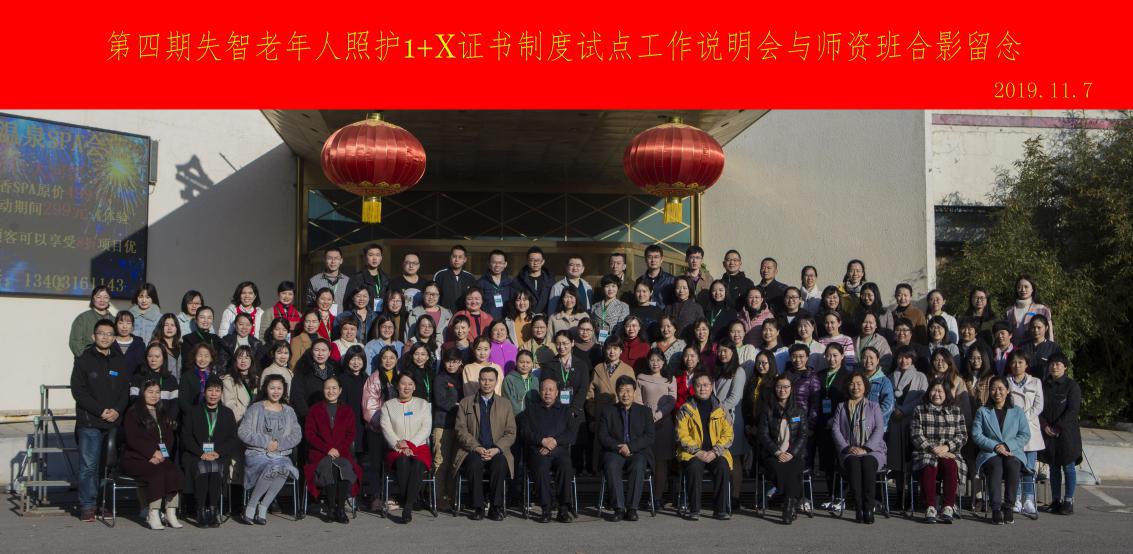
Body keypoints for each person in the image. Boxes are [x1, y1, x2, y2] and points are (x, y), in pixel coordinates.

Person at [70, 318, 130, 522]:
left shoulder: (119, 360)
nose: (105, 337)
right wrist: (100, 411)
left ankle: (104, 503)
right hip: (90, 422)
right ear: (93, 336)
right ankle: (88, 505)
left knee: (108, 466)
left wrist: (117, 411)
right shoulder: (83, 359)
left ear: (114, 338)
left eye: (109, 334)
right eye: (101, 333)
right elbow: (79, 391)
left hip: (113, 422)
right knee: (89, 466)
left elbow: (125, 390)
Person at [453, 366, 517, 520]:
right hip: (473, 450)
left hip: (497, 450)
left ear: (496, 382)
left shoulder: (505, 404)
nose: (487, 383)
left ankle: (495, 507)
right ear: (479, 381)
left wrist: (497, 449)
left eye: (490, 380)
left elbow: (511, 433)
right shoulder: (466, 403)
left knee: (500, 464)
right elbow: (460, 430)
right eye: (483, 380)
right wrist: (476, 447)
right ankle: (478, 507)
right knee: (474, 464)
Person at [239, 375, 302, 525]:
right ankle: (251, 505)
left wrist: (278, 444)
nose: (276, 391)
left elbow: (296, 435)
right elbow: (243, 432)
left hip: (280, 454)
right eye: (272, 388)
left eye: (279, 388)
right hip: (257, 454)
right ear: (266, 389)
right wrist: (266, 442)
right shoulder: (255, 408)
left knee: (283, 469)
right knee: (273, 468)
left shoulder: (289, 411)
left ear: (284, 390)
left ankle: (263, 506)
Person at [122, 379, 184, 530]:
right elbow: (133, 438)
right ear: (143, 393)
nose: (154, 395)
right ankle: (153, 512)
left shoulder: (162, 412)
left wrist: (162, 453)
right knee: (157, 474)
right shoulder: (133, 412)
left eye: (157, 392)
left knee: (174, 472)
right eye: (150, 392)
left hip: (159, 457)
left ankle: (170, 512)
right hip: (136, 458)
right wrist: (151, 453)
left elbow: (168, 437)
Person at [180, 375, 241, 527]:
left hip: (218, 454)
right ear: (204, 392)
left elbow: (232, 438)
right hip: (196, 454)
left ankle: (213, 510)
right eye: (210, 390)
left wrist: (218, 452)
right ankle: (201, 509)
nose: (213, 394)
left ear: (221, 393)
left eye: (217, 390)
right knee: (202, 467)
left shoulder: (227, 413)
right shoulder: (193, 412)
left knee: (215, 468)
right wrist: (201, 453)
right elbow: (186, 437)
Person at [971, 376, 1031, 525]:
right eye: (993, 389)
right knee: (995, 465)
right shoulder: (982, 411)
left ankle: (1009, 506)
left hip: (1012, 451)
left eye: (1000, 389)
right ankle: (996, 508)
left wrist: (1007, 446)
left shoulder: (1017, 411)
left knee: (1013, 464)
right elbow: (976, 434)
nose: (997, 392)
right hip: (990, 452)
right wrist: (995, 446)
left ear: (1007, 390)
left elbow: (1025, 435)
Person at [675, 373, 733, 520]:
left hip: (716, 452)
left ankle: (720, 510)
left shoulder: (721, 408)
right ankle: (694, 509)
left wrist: (715, 451)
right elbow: (681, 435)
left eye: (706, 385)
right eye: (699, 385)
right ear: (693, 388)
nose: (702, 388)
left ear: (711, 387)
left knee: (722, 466)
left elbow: (728, 434)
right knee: (694, 467)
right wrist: (697, 451)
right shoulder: (685, 409)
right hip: (692, 453)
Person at [831, 371, 887, 524]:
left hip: (873, 451)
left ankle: (868, 507)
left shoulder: (874, 406)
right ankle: (859, 507)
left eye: (859, 383)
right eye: (852, 384)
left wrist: (866, 449)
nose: (855, 387)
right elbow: (835, 429)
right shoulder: (841, 407)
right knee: (854, 464)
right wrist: (847, 448)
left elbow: (879, 429)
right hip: (849, 451)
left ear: (865, 386)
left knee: (868, 463)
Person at [519, 378, 578, 522]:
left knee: (565, 467)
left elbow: (571, 434)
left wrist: (554, 442)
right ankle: (546, 508)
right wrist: (542, 441)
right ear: (540, 392)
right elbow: (525, 432)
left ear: (557, 393)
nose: (547, 393)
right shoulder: (531, 411)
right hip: (539, 451)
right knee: (541, 468)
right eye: (544, 389)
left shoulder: (565, 411)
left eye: (551, 390)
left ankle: (563, 508)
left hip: (559, 451)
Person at [597, 375, 655, 522]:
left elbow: (650, 436)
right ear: (617, 392)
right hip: (615, 451)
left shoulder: (645, 412)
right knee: (611, 465)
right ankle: (618, 508)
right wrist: (620, 447)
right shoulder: (608, 411)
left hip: (637, 451)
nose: (625, 394)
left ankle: (632, 509)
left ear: (634, 392)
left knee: (639, 465)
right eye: (622, 390)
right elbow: (603, 436)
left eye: (628, 390)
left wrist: (630, 447)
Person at [911, 379, 968, 523]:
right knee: (929, 465)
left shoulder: (956, 411)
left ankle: (948, 506)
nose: (936, 394)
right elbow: (916, 435)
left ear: (946, 393)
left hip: (950, 451)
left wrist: (947, 447)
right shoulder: (920, 410)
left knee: (950, 465)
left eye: (940, 391)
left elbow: (962, 435)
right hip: (926, 451)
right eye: (934, 390)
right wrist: (933, 449)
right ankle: (930, 507)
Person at [380, 372, 432, 523]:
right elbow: (386, 428)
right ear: (397, 386)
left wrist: (410, 444)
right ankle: (411, 501)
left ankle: (407, 506)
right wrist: (400, 445)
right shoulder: (388, 405)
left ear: (414, 387)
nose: (406, 387)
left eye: (410, 384)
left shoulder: (423, 404)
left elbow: (426, 428)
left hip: (419, 447)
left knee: (417, 464)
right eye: (403, 384)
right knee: (403, 461)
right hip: (396, 448)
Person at [756, 374, 808, 524]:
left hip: (795, 454)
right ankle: (790, 504)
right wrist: (778, 452)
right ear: (774, 389)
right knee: (781, 468)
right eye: (779, 386)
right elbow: (763, 434)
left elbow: (803, 435)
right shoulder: (767, 410)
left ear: (791, 389)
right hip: (772, 454)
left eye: (786, 387)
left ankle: (788, 505)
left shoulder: (799, 411)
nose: (782, 390)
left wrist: (791, 453)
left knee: (792, 468)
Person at [1040, 353, 1082, 515]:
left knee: (1068, 467)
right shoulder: (1043, 385)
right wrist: (1045, 426)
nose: (1054, 367)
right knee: (1054, 467)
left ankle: (1068, 501)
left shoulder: (1072, 386)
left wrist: (1058, 427)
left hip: (1066, 433)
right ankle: (1056, 500)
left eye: (1058, 364)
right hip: (1048, 432)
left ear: (1065, 367)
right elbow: (1038, 408)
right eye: (1052, 364)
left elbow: (1073, 410)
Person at [587, 337, 636, 474]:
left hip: (621, 413)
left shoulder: (628, 369)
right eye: (609, 348)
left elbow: (634, 394)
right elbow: (590, 394)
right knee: (601, 445)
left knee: (618, 446)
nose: (612, 352)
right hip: (601, 413)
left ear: (621, 351)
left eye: (615, 348)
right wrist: (593, 412)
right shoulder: (598, 368)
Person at [888, 345, 929, 509]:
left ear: (912, 359)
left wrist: (903, 410)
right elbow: (887, 397)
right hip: (894, 422)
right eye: (900, 357)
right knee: (897, 462)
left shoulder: (920, 377)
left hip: (912, 422)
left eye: (907, 357)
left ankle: (913, 495)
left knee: (911, 460)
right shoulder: (890, 376)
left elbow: (922, 398)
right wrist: (894, 410)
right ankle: (899, 495)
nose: (903, 360)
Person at [1006, 349, 1044, 516]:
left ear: (1026, 364)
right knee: (1015, 465)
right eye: (1014, 362)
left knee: (1029, 467)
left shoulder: (1035, 382)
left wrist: (1024, 417)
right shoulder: (1006, 382)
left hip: (1030, 428)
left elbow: (1039, 405)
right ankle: (1016, 497)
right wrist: (1015, 419)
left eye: (1020, 362)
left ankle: (1029, 498)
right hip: (1012, 430)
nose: (1017, 365)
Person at [637, 348, 677, 507]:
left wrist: (659, 415)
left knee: (661, 462)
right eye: (652, 360)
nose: (655, 363)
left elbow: (672, 401)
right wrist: (647, 417)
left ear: (663, 362)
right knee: (645, 459)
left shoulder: (670, 379)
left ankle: (657, 496)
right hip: (644, 424)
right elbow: (637, 399)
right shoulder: (641, 378)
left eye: (659, 360)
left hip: (664, 424)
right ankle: (641, 494)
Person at [362, 346, 398, 511]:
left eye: (392, 357)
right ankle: (375, 496)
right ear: (380, 360)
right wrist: (382, 424)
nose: (388, 361)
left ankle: (390, 495)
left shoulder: (400, 376)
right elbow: (369, 406)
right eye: (385, 358)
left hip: (395, 430)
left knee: (391, 463)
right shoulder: (374, 378)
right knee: (376, 464)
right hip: (376, 429)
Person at [713, 341, 747, 507]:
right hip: (717, 420)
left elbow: (735, 397)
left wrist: (716, 410)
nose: (722, 354)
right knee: (722, 457)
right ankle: (723, 495)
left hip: (732, 419)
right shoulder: (717, 370)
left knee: (734, 457)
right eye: (720, 351)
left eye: (725, 350)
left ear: (733, 352)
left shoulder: (738, 371)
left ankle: (735, 496)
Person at [815, 343, 850, 497]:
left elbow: (848, 401)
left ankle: (843, 495)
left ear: (842, 356)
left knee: (841, 460)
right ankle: (832, 495)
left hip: (840, 424)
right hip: (822, 422)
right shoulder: (820, 375)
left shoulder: (848, 376)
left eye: (835, 355)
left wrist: (835, 419)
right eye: (828, 355)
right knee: (827, 461)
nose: (831, 359)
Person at [542, 331, 591, 425]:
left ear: (572, 343)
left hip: (575, 412)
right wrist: (556, 407)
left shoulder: (581, 365)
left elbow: (583, 389)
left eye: (565, 343)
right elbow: (546, 387)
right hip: (555, 412)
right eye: (558, 343)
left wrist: (574, 409)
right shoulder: (550, 365)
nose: (561, 347)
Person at [290, 339, 340, 422]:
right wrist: (308, 416)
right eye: (317, 350)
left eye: (323, 350)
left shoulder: (335, 370)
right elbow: (297, 396)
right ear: (311, 352)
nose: (320, 354)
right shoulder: (303, 370)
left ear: (329, 353)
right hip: (309, 418)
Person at [130, 343, 180, 422]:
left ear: (164, 358)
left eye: (157, 356)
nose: (153, 360)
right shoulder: (138, 378)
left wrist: (168, 420)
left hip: (164, 423)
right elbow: (134, 401)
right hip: (142, 421)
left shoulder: (170, 379)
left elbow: (175, 404)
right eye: (150, 356)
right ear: (146, 358)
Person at [1005, 275, 1054, 346]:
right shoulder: (1009, 311)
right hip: (1015, 350)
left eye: (1026, 287)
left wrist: (1051, 349)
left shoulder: (1042, 309)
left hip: (1037, 349)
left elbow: (1049, 333)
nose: (1023, 290)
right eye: (1019, 287)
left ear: (1032, 289)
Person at [69, 286, 116, 357]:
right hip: (87, 360)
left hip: (110, 360)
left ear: (109, 299)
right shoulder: (82, 318)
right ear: (93, 299)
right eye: (98, 297)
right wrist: (87, 358)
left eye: (105, 297)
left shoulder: (114, 320)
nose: (102, 300)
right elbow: (75, 343)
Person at [345, 243, 391, 314]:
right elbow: (348, 301)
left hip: (382, 316)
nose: (374, 258)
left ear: (381, 258)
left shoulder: (386, 278)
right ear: (364, 258)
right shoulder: (357, 278)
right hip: (363, 316)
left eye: (377, 255)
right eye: (371, 255)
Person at [432, 244, 478, 311]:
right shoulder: (440, 275)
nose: (456, 259)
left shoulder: (470, 277)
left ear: (465, 259)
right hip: (444, 314)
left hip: (464, 314)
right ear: (450, 257)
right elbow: (433, 296)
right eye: (454, 256)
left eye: (460, 257)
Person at [179, 343, 219, 417]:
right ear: (194, 357)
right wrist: (195, 415)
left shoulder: (214, 378)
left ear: (211, 359)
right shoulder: (187, 376)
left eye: (206, 356)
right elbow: (183, 401)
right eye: (200, 355)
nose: (203, 359)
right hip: (191, 416)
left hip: (210, 416)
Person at [513, 246, 555, 315]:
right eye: (532, 260)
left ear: (543, 262)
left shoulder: (551, 281)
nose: (535, 263)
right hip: (525, 318)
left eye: (538, 260)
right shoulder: (518, 281)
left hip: (545, 319)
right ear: (527, 261)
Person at [181, 306, 226, 372]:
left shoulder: (216, 339)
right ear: (196, 320)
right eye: (202, 317)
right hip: (195, 375)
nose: (206, 320)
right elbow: (187, 363)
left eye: (209, 318)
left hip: (214, 375)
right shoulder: (188, 339)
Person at [221, 345, 258, 423]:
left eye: (247, 358)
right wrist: (244, 420)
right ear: (235, 360)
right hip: (239, 421)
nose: (243, 361)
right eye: (240, 357)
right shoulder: (228, 380)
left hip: (256, 421)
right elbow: (229, 404)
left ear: (251, 360)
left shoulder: (257, 380)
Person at [1018, 315, 1063, 380]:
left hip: (1046, 384)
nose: (1036, 330)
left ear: (1046, 328)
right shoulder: (1022, 346)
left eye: (1039, 327)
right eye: (1033, 327)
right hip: (1025, 383)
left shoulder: (1054, 348)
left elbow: (1059, 369)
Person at [305, 247, 349, 313]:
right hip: (320, 319)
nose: (333, 261)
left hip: (343, 319)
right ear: (325, 260)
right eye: (329, 258)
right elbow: (309, 306)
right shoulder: (314, 281)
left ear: (341, 261)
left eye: (336, 258)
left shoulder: (348, 281)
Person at [859, 346, 894, 428]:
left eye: (871, 358)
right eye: (865, 358)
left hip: (877, 427)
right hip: (858, 425)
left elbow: (888, 406)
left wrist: (872, 419)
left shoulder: (884, 381)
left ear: (878, 360)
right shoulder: (857, 379)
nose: (868, 361)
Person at [478, 249, 514, 321]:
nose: (497, 265)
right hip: (487, 322)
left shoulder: (510, 283)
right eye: (494, 262)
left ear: (505, 264)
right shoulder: (481, 283)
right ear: (489, 264)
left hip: (505, 322)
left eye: (500, 263)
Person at [503, 350, 541, 416]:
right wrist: (522, 417)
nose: (525, 365)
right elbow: (509, 402)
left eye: (528, 362)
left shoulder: (535, 379)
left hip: (533, 417)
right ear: (516, 363)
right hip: (516, 417)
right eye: (521, 362)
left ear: (532, 364)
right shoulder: (509, 379)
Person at [639, 244, 675, 309]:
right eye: (650, 257)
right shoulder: (640, 280)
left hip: (664, 314)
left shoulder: (671, 280)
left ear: (661, 259)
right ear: (645, 259)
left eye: (656, 257)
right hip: (645, 313)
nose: (653, 260)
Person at [151, 313, 183, 379]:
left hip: (179, 383)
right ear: (161, 327)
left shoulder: (181, 346)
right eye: (166, 325)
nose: (169, 328)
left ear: (177, 328)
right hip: (162, 382)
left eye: (172, 325)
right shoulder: (155, 345)